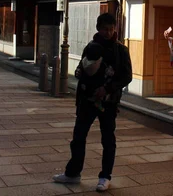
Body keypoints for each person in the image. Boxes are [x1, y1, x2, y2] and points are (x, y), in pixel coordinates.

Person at [53, 13, 132, 192]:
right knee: (78, 137)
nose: (109, 32)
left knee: (108, 139)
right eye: (105, 29)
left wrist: (108, 88)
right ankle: (73, 173)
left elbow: (127, 75)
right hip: (87, 99)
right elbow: (82, 66)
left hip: (108, 102)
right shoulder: (91, 46)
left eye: (112, 29)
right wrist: (79, 72)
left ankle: (105, 176)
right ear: (98, 28)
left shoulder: (120, 50)